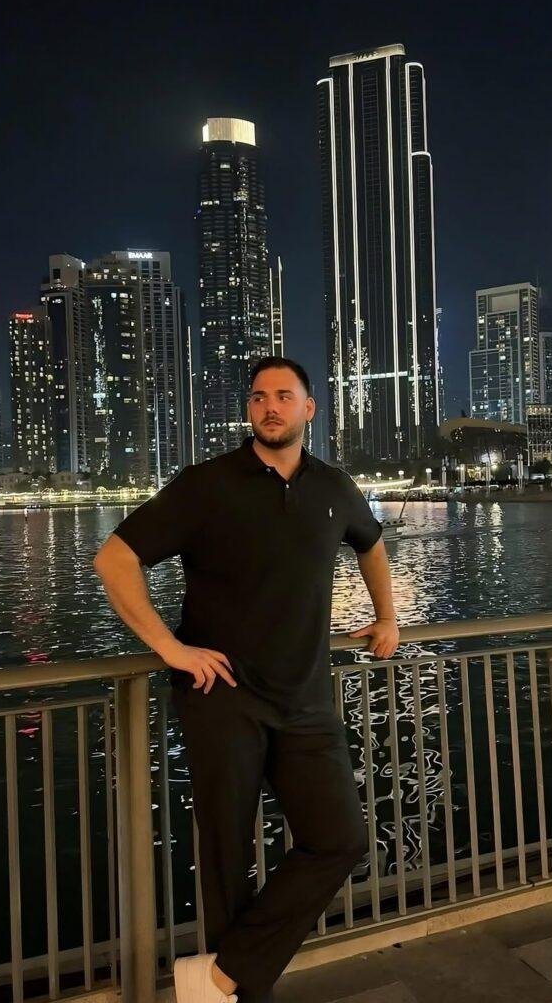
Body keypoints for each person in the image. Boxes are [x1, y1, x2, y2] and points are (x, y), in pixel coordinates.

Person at [94, 356, 399, 1003]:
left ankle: (218, 978)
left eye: (284, 396)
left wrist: (388, 616)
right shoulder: (206, 485)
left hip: (306, 700)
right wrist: (169, 647)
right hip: (222, 699)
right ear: (249, 410)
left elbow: (370, 543)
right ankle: (235, 995)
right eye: (259, 396)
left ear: (308, 409)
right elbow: (115, 559)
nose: (270, 406)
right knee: (226, 862)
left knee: (340, 840)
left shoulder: (333, 487)